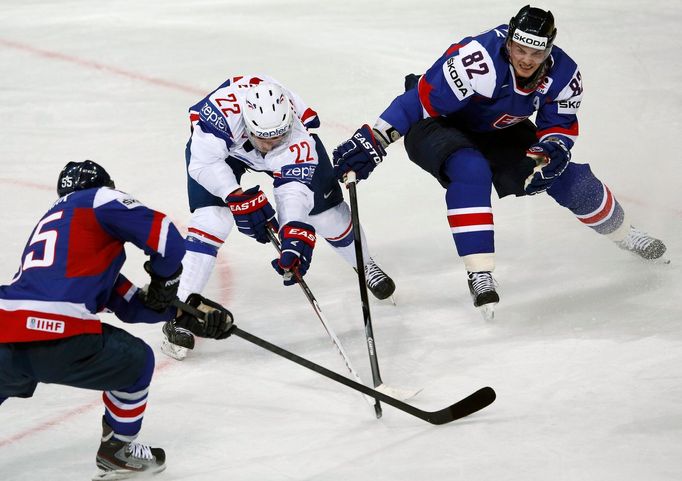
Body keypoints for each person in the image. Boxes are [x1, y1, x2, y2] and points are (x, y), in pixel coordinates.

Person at [332, 5, 667, 319]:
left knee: (565, 177)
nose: (526, 59)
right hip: (437, 124)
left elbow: (559, 125)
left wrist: (553, 151)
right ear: (509, 40)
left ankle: (625, 234)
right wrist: (373, 139)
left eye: (536, 53)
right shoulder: (478, 61)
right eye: (519, 49)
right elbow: (414, 104)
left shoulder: (564, 76)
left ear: (549, 50)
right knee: (470, 169)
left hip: (498, 127)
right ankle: (480, 274)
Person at [0, 160, 232, 479]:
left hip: (4, 330)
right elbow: (169, 240)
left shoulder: (64, 241)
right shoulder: (97, 198)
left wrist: (185, 314)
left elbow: (130, 304)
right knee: (137, 362)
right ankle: (117, 449)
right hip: (58, 336)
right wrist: (166, 281)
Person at [163, 74, 396, 359]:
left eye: (279, 136)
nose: (272, 144)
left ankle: (365, 263)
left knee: (325, 215)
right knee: (212, 220)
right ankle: (181, 307)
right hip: (224, 154)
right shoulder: (219, 118)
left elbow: (293, 192)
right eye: (265, 137)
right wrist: (234, 195)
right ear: (248, 124)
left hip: (277, 146)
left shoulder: (298, 135)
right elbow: (204, 162)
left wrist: (293, 235)